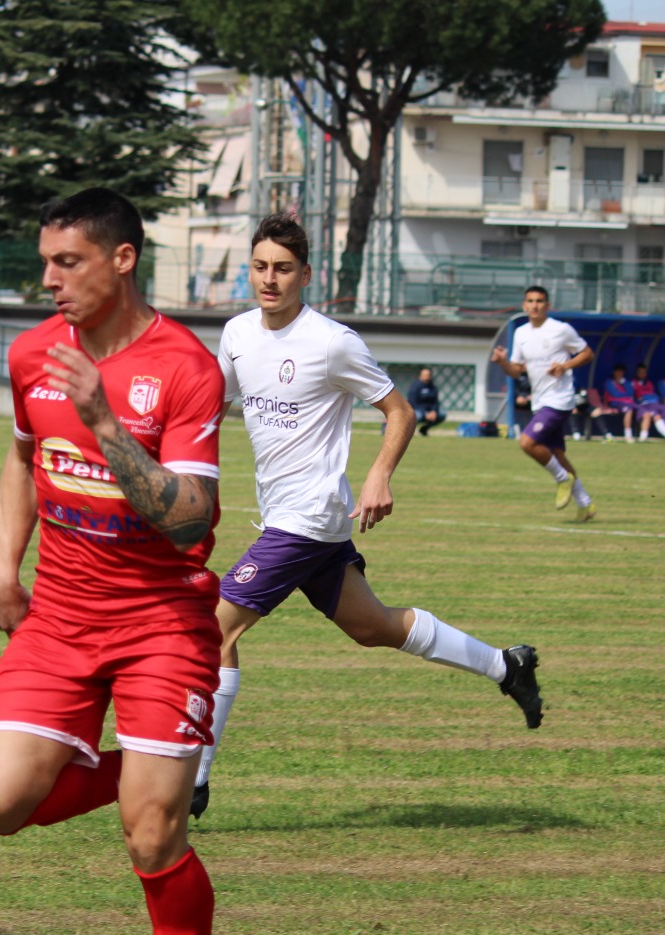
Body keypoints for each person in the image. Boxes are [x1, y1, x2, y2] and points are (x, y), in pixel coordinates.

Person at [0, 188, 226, 935]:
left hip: (162, 620)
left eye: (67, 262)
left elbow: (191, 519)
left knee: (151, 837)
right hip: (63, 617)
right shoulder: (32, 351)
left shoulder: (186, 367)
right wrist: (6, 562)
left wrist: (108, 423)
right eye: (45, 262)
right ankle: (164, 773)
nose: (49, 280)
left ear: (122, 260)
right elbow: (22, 455)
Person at [196, 214, 546, 823]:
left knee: (213, 632)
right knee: (374, 626)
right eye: (259, 267)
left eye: (282, 269)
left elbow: (400, 412)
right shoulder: (237, 334)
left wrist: (379, 474)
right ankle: (504, 664)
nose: (269, 279)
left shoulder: (332, 341)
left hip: (307, 518)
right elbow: (218, 402)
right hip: (285, 516)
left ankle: (192, 779)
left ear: (306, 274)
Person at [491, 286, 597, 521]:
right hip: (539, 402)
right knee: (557, 454)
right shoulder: (520, 333)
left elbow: (587, 353)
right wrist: (502, 362)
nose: (535, 305)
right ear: (524, 305)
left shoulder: (561, 329)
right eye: (530, 301)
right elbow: (516, 370)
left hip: (559, 400)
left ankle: (562, 480)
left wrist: (565, 366)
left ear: (548, 306)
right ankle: (585, 504)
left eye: (539, 301)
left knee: (527, 442)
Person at [406, 366, 446, 436]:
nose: (427, 377)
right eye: (425, 375)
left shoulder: (432, 387)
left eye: (429, 375)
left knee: (442, 414)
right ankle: (407, 431)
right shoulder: (415, 387)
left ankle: (424, 429)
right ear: (420, 376)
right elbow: (413, 402)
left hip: (430, 410)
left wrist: (434, 411)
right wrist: (425, 413)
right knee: (418, 416)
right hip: (418, 410)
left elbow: (435, 402)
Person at [630, 363, 665, 439]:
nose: (642, 374)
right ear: (637, 373)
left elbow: (653, 394)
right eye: (640, 372)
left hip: (655, 403)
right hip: (644, 405)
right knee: (656, 416)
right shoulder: (633, 383)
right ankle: (643, 437)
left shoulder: (649, 382)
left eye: (644, 372)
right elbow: (636, 396)